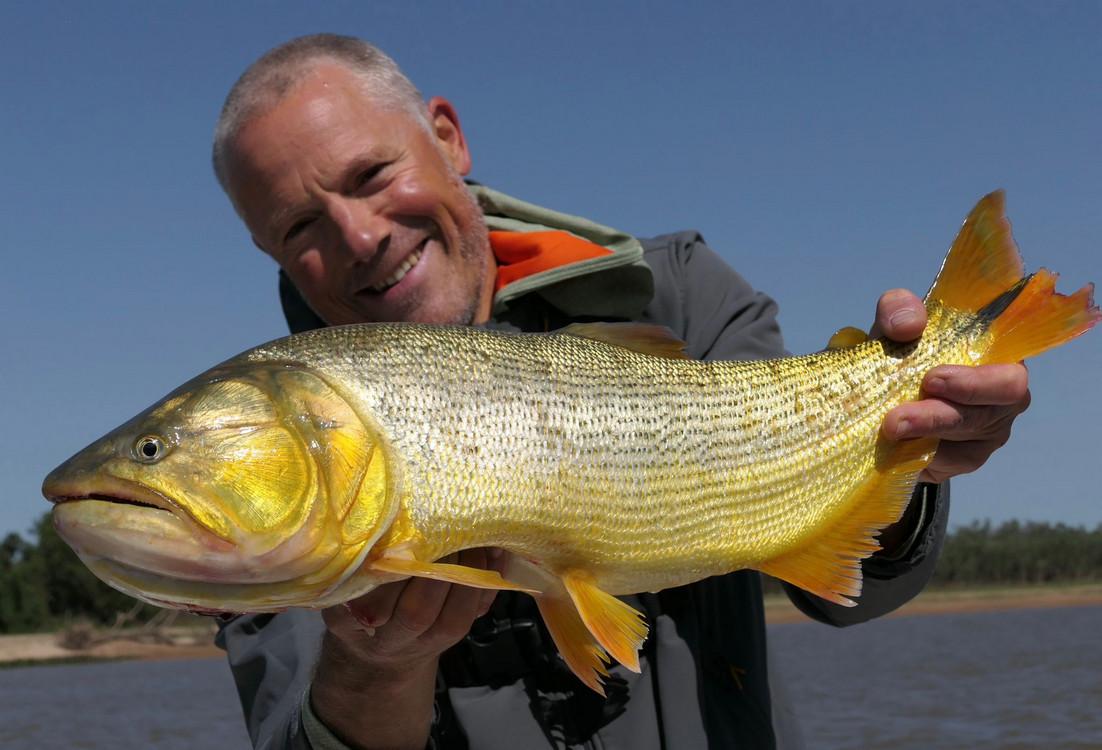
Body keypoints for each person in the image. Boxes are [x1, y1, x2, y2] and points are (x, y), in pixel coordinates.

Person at [211, 34, 1030, 750]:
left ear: (447, 137)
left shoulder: (678, 292)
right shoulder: (249, 457)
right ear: (265, 248)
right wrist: (374, 670)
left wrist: (916, 450)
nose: (360, 237)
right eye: (299, 226)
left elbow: (852, 591)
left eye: (371, 174)